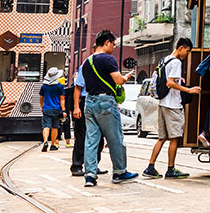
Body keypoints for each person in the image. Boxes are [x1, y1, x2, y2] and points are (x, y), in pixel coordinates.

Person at [81, 30, 137, 186]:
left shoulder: (87, 62)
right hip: (105, 102)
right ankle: (119, 172)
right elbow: (118, 81)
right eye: (113, 44)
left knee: (91, 140)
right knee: (115, 139)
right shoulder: (108, 59)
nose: (114, 47)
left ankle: (90, 176)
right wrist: (126, 77)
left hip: (89, 102)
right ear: (106, 43)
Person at [143, 38, 201, 179]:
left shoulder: (165, 60)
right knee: (174, 138)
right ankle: (170, 169)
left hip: (162, 103)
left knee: (161, 138)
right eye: (186, 52)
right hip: (173, 105)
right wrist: (189, 90)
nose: (186, 55)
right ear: (181, 48)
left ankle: (150, 167)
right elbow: (170, 83)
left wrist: (177, 81)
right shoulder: (176, 62)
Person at [70, 43, 105, 177]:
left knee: (100, 136)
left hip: (99, 102)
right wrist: (76, 107)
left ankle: (93, 165)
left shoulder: (105, 65)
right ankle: (77, 165)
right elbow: (77, 87)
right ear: (93, 50)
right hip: (85, 100)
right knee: (82, 135)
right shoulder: (86, 65)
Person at [39, 68, 65, 152]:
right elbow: (62, 99)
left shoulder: (44, 86)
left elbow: (41, 97)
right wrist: (64, 110)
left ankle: (45, 141)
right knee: (55, 127)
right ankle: (53, 144)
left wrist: (42, 106)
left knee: (46, 126)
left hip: (47, 108)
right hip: (57, 109)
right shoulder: (59, 86)